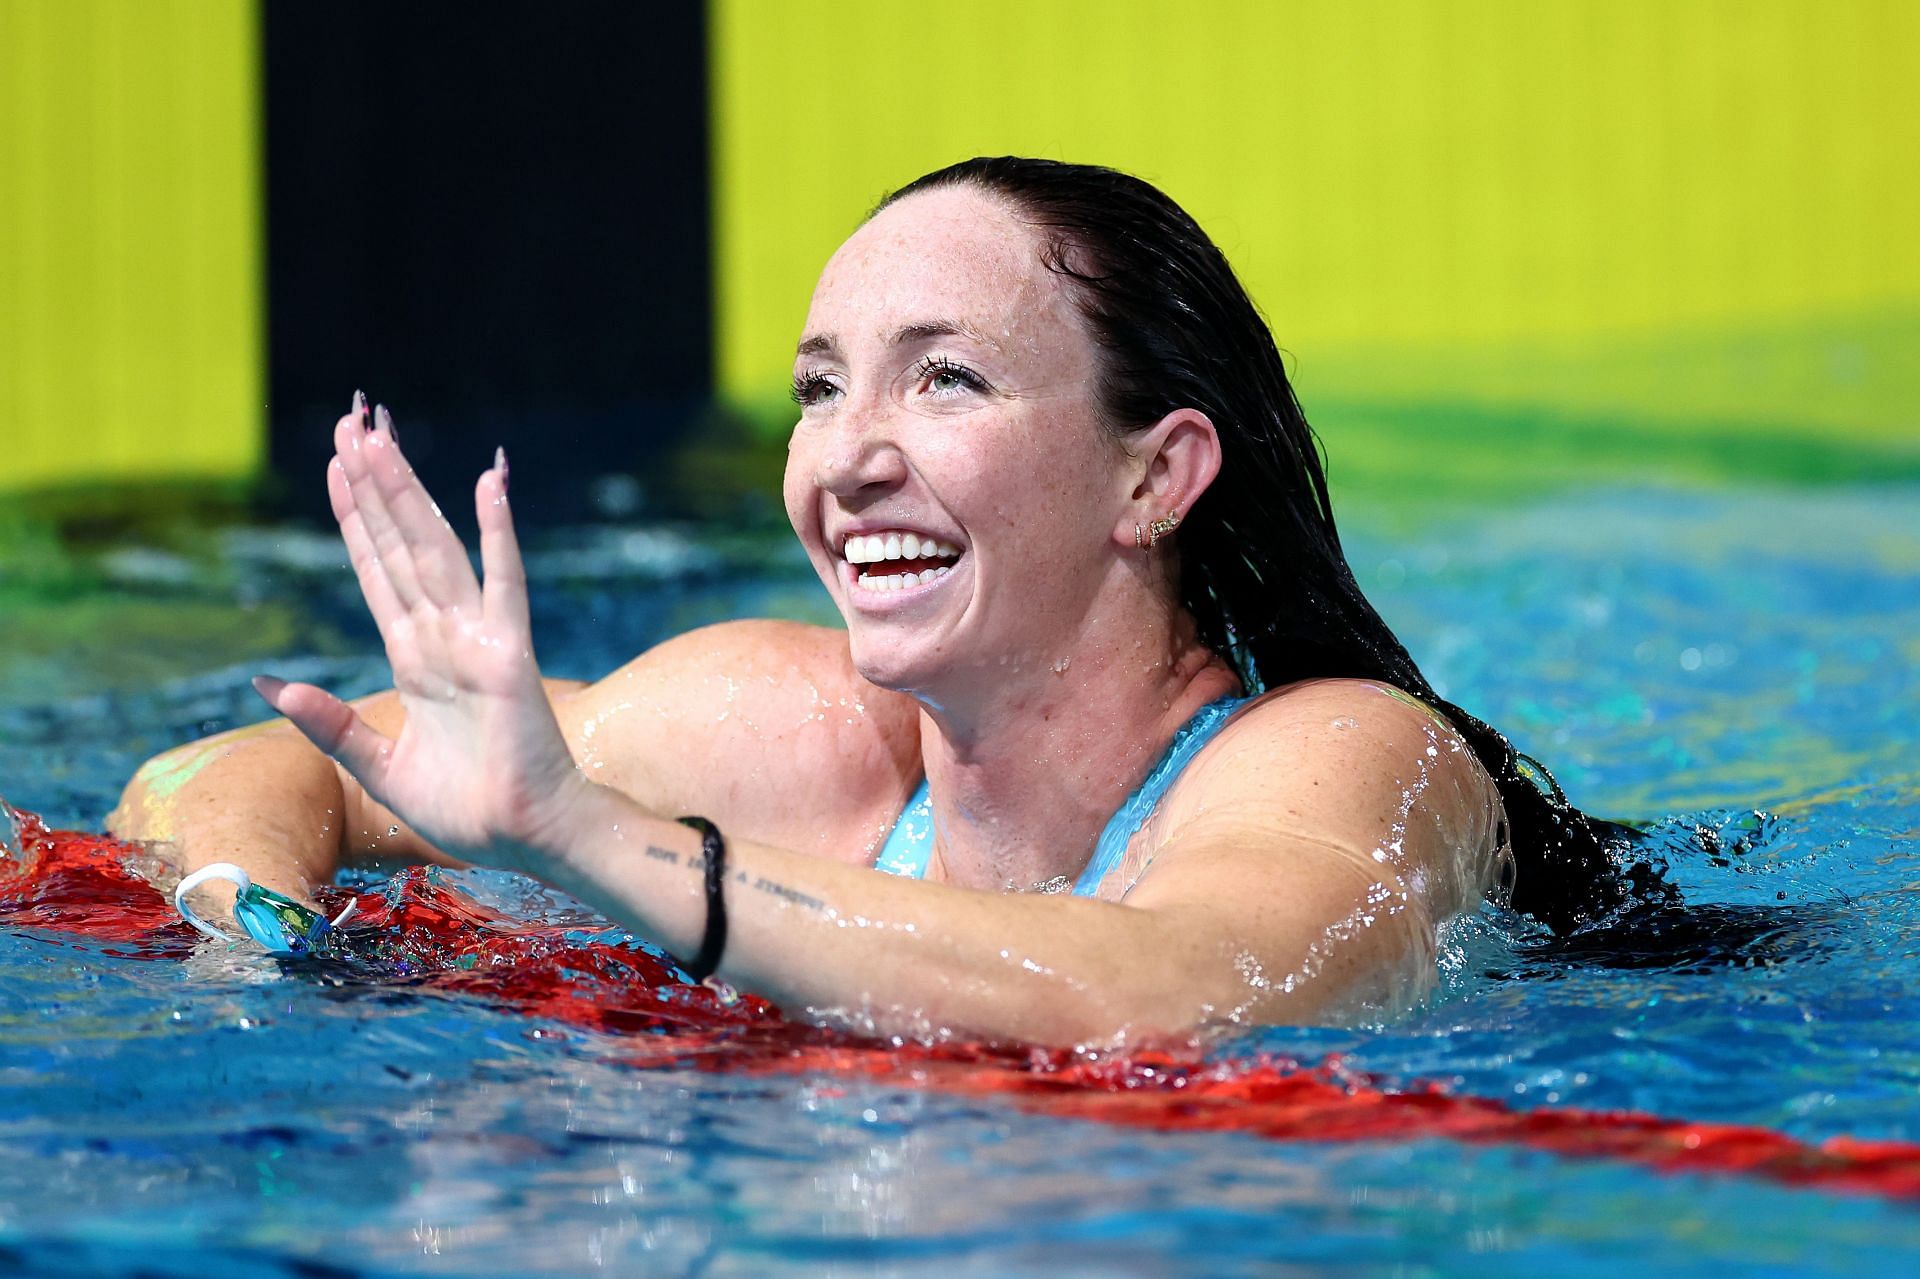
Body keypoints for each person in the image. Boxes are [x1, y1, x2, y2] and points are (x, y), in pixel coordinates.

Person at [110, 157, 1636, 1046]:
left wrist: (592, 839)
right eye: (819, 391)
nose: (849, 459)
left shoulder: (1347, 758)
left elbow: (1182, 991)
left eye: (946, 377)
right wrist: (261, 919)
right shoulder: (797, 737)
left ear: (1154, 477)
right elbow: (220, 774)